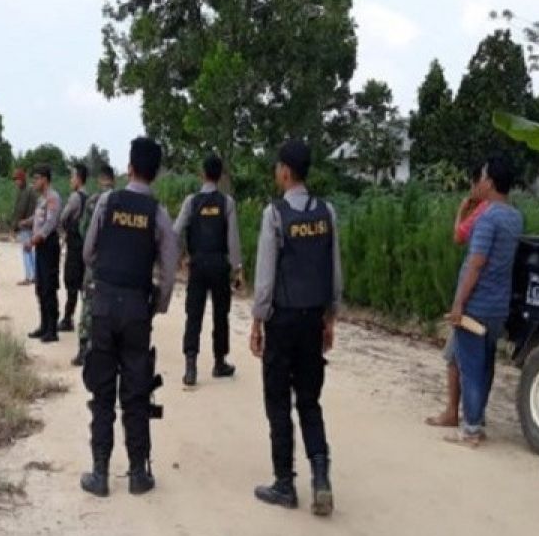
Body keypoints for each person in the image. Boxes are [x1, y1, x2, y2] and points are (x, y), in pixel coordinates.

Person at [80, 137, 178, 497]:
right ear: (155, 173)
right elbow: (168, 271)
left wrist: (106, 274)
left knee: (102, 390)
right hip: (138, 308)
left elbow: (89, 251)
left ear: (130, 167)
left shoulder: (108, 201)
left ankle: (100, 473)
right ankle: (138, 473)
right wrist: (157, 304)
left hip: (104, 304)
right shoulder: (159, 213)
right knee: (136, 392)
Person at [250, 140, 342, 516]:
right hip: (313, 319)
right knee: (309, 400)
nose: (276, 174)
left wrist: (258, 320)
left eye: (277, 168)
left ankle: (284, 483)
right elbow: (335, 271)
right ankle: (321, 478)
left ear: (286, 171)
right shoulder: (327, 213)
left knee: (277, 401)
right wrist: (331, 317)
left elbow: (266, 277)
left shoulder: (275, 215)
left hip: (283, 319)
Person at [446, 154, 524, 448]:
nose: (477, 183)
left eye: (480, 179)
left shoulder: (488, 217)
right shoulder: (515, 217)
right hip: (498, 305)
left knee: (471, 367)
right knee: (486, 365)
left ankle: (471, 430)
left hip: (477, 304)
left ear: (489, 183)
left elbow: (476, 263)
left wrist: (458, 304)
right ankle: (477, 419)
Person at [426, 164, 490, 428]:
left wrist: (462, 210)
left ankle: (458, 415)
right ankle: (473, 415)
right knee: (478, 361)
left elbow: (458, 237)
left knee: (456, 358)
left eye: (474, 183)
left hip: (473, 299)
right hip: (489, 299)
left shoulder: (483, 214)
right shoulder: (506, 214)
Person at [173, 154, 244, 387]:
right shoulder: (227, 203)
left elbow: (176, 231)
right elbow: (233, 239)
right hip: (219, 265)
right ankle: (219, 362)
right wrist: (238, 269)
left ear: (203, 174)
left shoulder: (191, 202)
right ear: (221, 175)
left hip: (198, 265)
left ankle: (190, 367)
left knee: (193, 315)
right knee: (220, 315)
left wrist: (180, 256)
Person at [72, 161, 115, 367]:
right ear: (114, 180)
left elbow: (84, 230)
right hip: (114, 263)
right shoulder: (121, 202)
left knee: (89, 304)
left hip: (94, 262)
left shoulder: (93, 201)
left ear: (100, 180)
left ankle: (83, 349)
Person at [26, 165, 62, 343]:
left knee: (49, 287)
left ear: (45, 179)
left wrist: (34, 240)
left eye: (37, 178)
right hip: (41, 246)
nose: (34, 182)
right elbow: (39, 218)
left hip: (48, 245)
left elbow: (50, 223)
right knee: (40, 287)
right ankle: (44, 325)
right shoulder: (42, 199)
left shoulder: (53, 197)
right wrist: (27, 222)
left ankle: (52, 329)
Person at [58, 161, 89, 332]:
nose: (70, 181)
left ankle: (67, 318)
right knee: (84, 285)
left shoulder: (75, 197)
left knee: (71, 283)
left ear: (78, 179)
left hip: (75, 246)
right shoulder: (91, 198)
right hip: (87, 247)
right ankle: (86, 320)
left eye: (72, 177)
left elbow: (63, 217)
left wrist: (63, 233)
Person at [11, 168, 37, 285]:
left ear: (22, 179)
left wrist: (14, 227)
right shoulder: (30, 189)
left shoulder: (25, 191)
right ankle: (34, 275)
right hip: (33, 225)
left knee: (26, 250)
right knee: (31, 251)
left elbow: (20, 210)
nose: (16, 182)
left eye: (17, 179)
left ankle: (28, 277)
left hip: (26, 225)